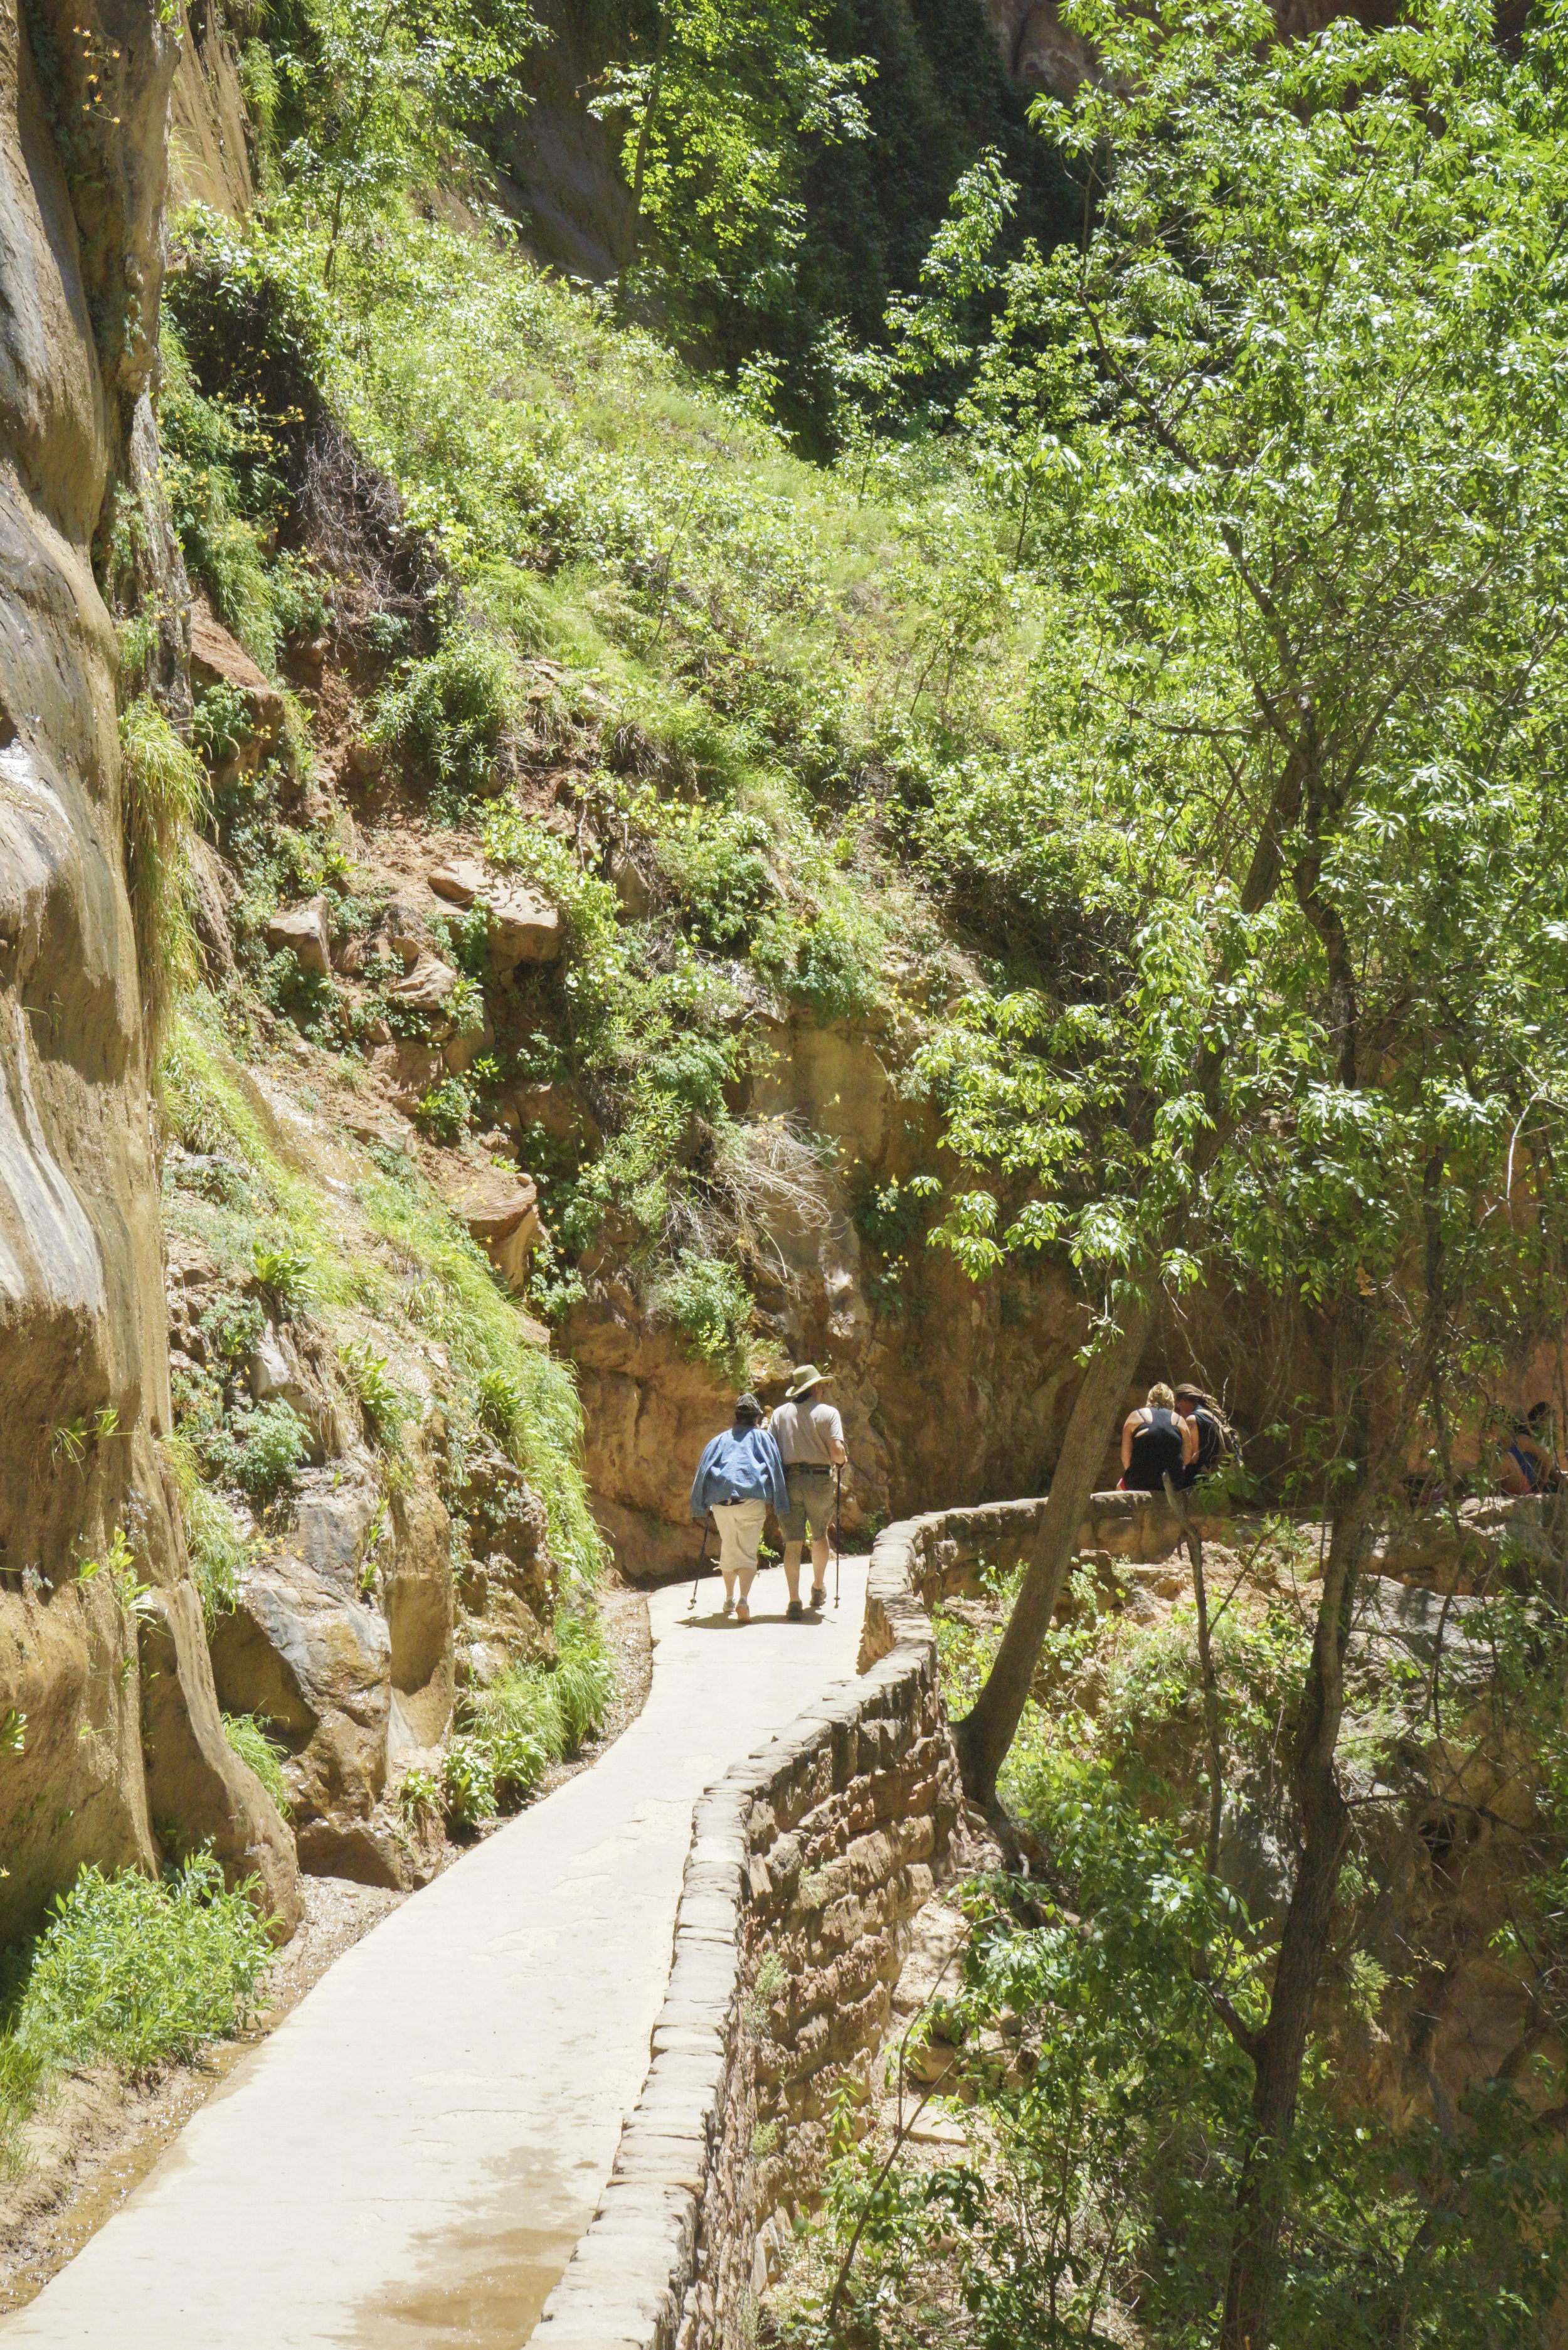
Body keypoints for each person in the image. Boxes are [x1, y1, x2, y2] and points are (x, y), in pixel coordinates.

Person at [689, 1393, 788, 1624]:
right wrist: (781, 1504)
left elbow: (702, 1470)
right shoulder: (763, 1438)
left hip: (721, 1503)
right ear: (756, 1418)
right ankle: (743, 1599)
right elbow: (775, 1468)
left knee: (729, 1548)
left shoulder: (719, 1440)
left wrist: (698, 1506)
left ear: (736, 1417)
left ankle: (729, 1598)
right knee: (747, 1554)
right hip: (751, 1500)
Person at [768, 1363, 847, 1620]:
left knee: (792, 1543)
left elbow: (771, 1451)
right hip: (819, 1481)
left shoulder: (779, 1415)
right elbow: (837, 1453)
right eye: (821, 1385)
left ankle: (793, 1601)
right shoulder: (829, 1413)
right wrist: (843, 1460)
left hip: (789, 1481)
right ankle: (818, 1588)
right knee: (820, 1534)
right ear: (814, 1388)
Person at [1120, 1382, 1197, 1492]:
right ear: (1171, 1401)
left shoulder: (1135, 1416)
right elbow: (1187, 1459)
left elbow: (1125, 1457)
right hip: (1172, 1483)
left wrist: (1135, 1474)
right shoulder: (1180, 1421)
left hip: (1139, 1481)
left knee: (1120, 1486)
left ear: (1150, 1399)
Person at [1173, 1381, 1229, 1489]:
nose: (1178, 1413)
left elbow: (1193, 1458)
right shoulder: (1211, 1415)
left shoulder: (1192, 1419)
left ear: (1183, 1402)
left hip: (1197, 1480)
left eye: (1177, 1408)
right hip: (1215, 1476)